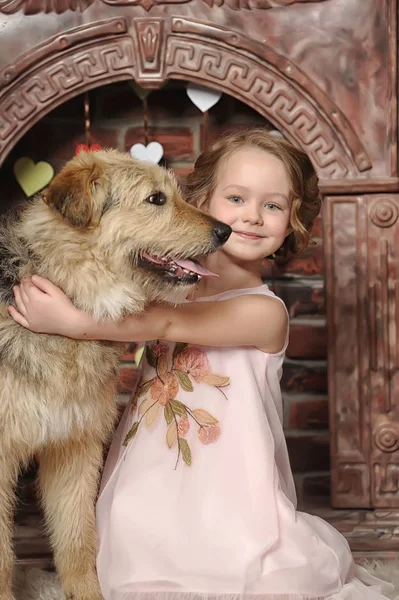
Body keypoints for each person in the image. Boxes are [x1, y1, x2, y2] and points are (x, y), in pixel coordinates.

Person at [9, 129, 392, 600]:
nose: (251, 216)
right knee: (126, 562)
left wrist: (69, 321)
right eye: (236, 198)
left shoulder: (264, 312)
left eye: (273, 206)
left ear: (292, 226)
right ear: (202, 203)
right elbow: (99, 262)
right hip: (147, 486)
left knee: (258, 576)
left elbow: (166, 324)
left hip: (227, 500)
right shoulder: (168, 282)